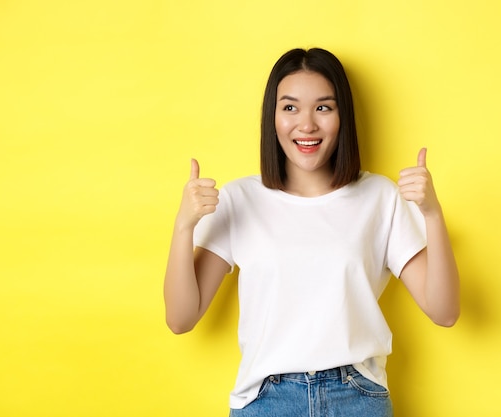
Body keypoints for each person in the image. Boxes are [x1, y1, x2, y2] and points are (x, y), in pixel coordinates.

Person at [164, 47, 460, 417]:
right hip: (266, 401)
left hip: (356, 398)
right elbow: (180, 318)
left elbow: (445, 311)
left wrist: (432, 214)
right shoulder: (240, 198)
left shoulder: (378, 196)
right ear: (272, 118)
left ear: (343, 117)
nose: (306, 125)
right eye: (290, 107)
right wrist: (183, 226)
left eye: (323, 107)